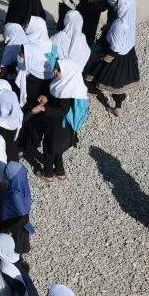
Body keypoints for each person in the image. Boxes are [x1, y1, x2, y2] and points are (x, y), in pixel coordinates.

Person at [36, 11, 91, 181]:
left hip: (57, 124)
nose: (54, 71)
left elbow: (61, 109)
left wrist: (44, 107)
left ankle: (48, 173)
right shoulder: (70, 85)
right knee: (57, 149)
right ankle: (60, 171)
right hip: (71, 72)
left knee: (49, 148)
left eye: (57, 70)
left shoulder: (64, 89)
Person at [87, 0, 139, 117]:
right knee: (120, 82)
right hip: (126, 51)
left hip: (113, 49)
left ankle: (93, 90)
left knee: (98, 69)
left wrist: (106, 57)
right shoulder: (128, 3)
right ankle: (118, 106)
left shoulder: (119, 24)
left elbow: (114, 47)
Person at [0, 161, 33, 254]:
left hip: (12, 227)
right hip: (17, 226)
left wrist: (10, 230)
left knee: (10, 250)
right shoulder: (21, 185)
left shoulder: (15, 194)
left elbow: (23, 218)